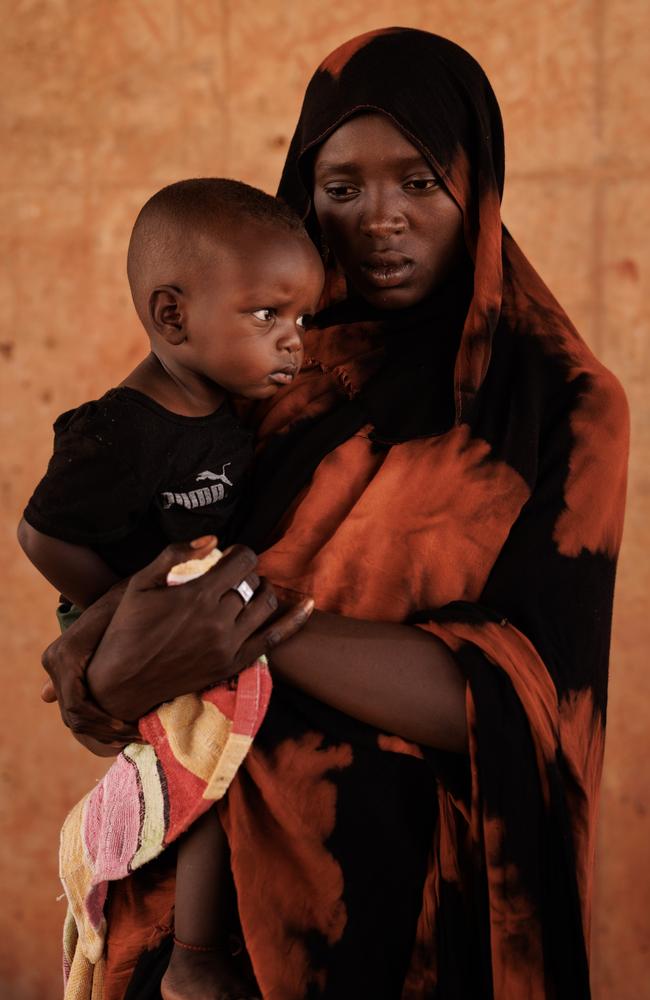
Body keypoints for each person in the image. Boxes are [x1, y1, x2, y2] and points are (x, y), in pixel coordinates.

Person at [41, 27, 629, 1000]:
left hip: (397, 922)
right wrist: (115, 662)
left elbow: (528, 703)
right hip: (186, 915)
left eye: (418, 181)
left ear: (475, 186)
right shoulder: (261, 362)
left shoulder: (555, 401)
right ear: (299, 187)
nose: (379, 219)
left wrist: (234, 631)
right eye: (341, 185)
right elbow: (123, 640)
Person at [18, 178, 323, 1000]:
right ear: (172, 316)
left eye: (302, 320)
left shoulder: (225, 406)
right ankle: (192, 957)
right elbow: (41, 534)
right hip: (128, 608)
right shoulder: (118, 430)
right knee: (215, 757)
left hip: (185, 608)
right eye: (268, 317)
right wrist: (125, 609)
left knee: (223, 757)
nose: (294, 342)